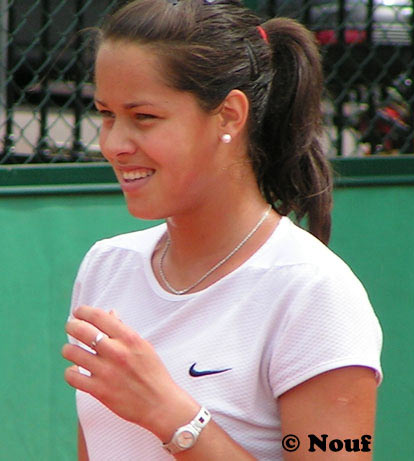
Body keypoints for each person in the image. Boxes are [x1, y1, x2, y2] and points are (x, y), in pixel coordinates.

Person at [62, 1, 383, 459]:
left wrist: (173, 417)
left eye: (144, 117)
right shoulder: (106, 267)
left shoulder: (315, 294)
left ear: (230, 115)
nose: (113, 145)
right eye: (106, 114)